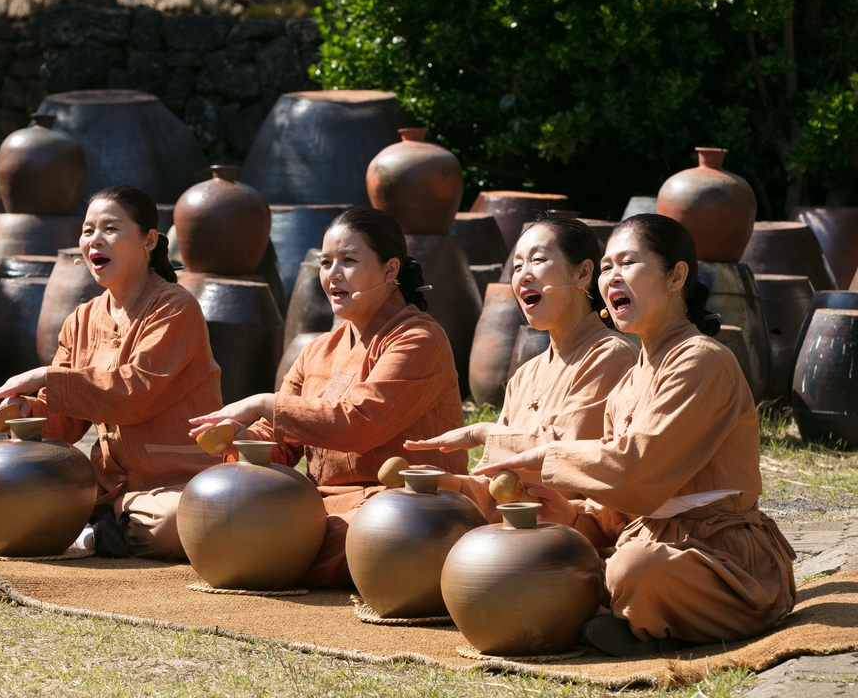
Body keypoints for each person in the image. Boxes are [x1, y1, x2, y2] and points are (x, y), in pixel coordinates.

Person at [477, 214, 796, 656]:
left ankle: (644, 619)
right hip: (643, 541)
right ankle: (633, 618)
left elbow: (635, 469)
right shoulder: (628, 383)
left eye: (627, 263)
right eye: (606, 267)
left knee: (633, 569)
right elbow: (619, 510)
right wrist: (571, 517)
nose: (611, 277)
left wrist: (533, 452)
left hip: (721, 558)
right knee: (556, 562)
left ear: (676, 276)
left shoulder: (702, 360)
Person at [187, 207, 467, 587]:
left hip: (397, 505)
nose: (333, 274)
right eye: (325, 262)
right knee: (225, 514)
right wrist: (236, 437)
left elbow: (358, 424)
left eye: (349, 261)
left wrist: (261, 403)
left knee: (374, 536)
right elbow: (279, 445)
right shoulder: (318, 350)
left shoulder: (418, 338)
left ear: (390, 270)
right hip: (322, 508)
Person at [0, 185, 221, 561]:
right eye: (88, 230)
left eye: (110, 228)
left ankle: (98, 530)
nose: (95, 240)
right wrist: (28, 411)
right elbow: (66, 421)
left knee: (176, 523)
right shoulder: (81, 318)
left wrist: (46, 376)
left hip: (176, 481)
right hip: (105, 485)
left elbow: (134, 392)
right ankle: (104, 527)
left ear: (149, 240)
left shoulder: (175, 308)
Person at [405, 216, 638, 519]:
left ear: (582, 273)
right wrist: (450, 485)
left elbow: (563, 471)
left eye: (537, 260)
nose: (523, 276)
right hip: (518, 531)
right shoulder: (525, 375)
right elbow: (502, 487)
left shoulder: (611, 356)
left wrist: (484, 432)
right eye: (516, 267)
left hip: (576, 535)